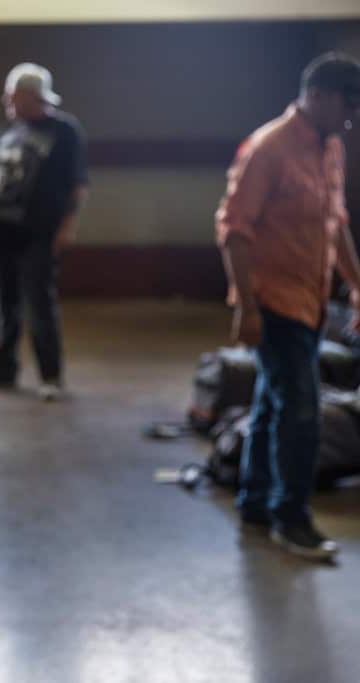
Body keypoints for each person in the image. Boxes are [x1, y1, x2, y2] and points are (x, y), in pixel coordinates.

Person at [217, 52, 360, 561]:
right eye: (345, 108)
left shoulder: (331, 148)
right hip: (274, 303)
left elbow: (334, 223)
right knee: (301, 412)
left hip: (312, 300)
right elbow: (233, 231)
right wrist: (248, 308)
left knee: (273, 402)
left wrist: (356, 284)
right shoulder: (269, 148)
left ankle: (255, 501)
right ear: (316, 95)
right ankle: (291, 519)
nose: (348, 121)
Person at [0, 62, 89, 400]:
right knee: (5, 306)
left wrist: (67, 226)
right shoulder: (6, 131)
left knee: (39, 304)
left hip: (40, 233)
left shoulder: (64, 131)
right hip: (1, 231)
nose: (6, 100)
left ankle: (51, 376)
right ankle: (4, 371)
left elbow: (78, 184)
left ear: (30, 95)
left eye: (11, 94)